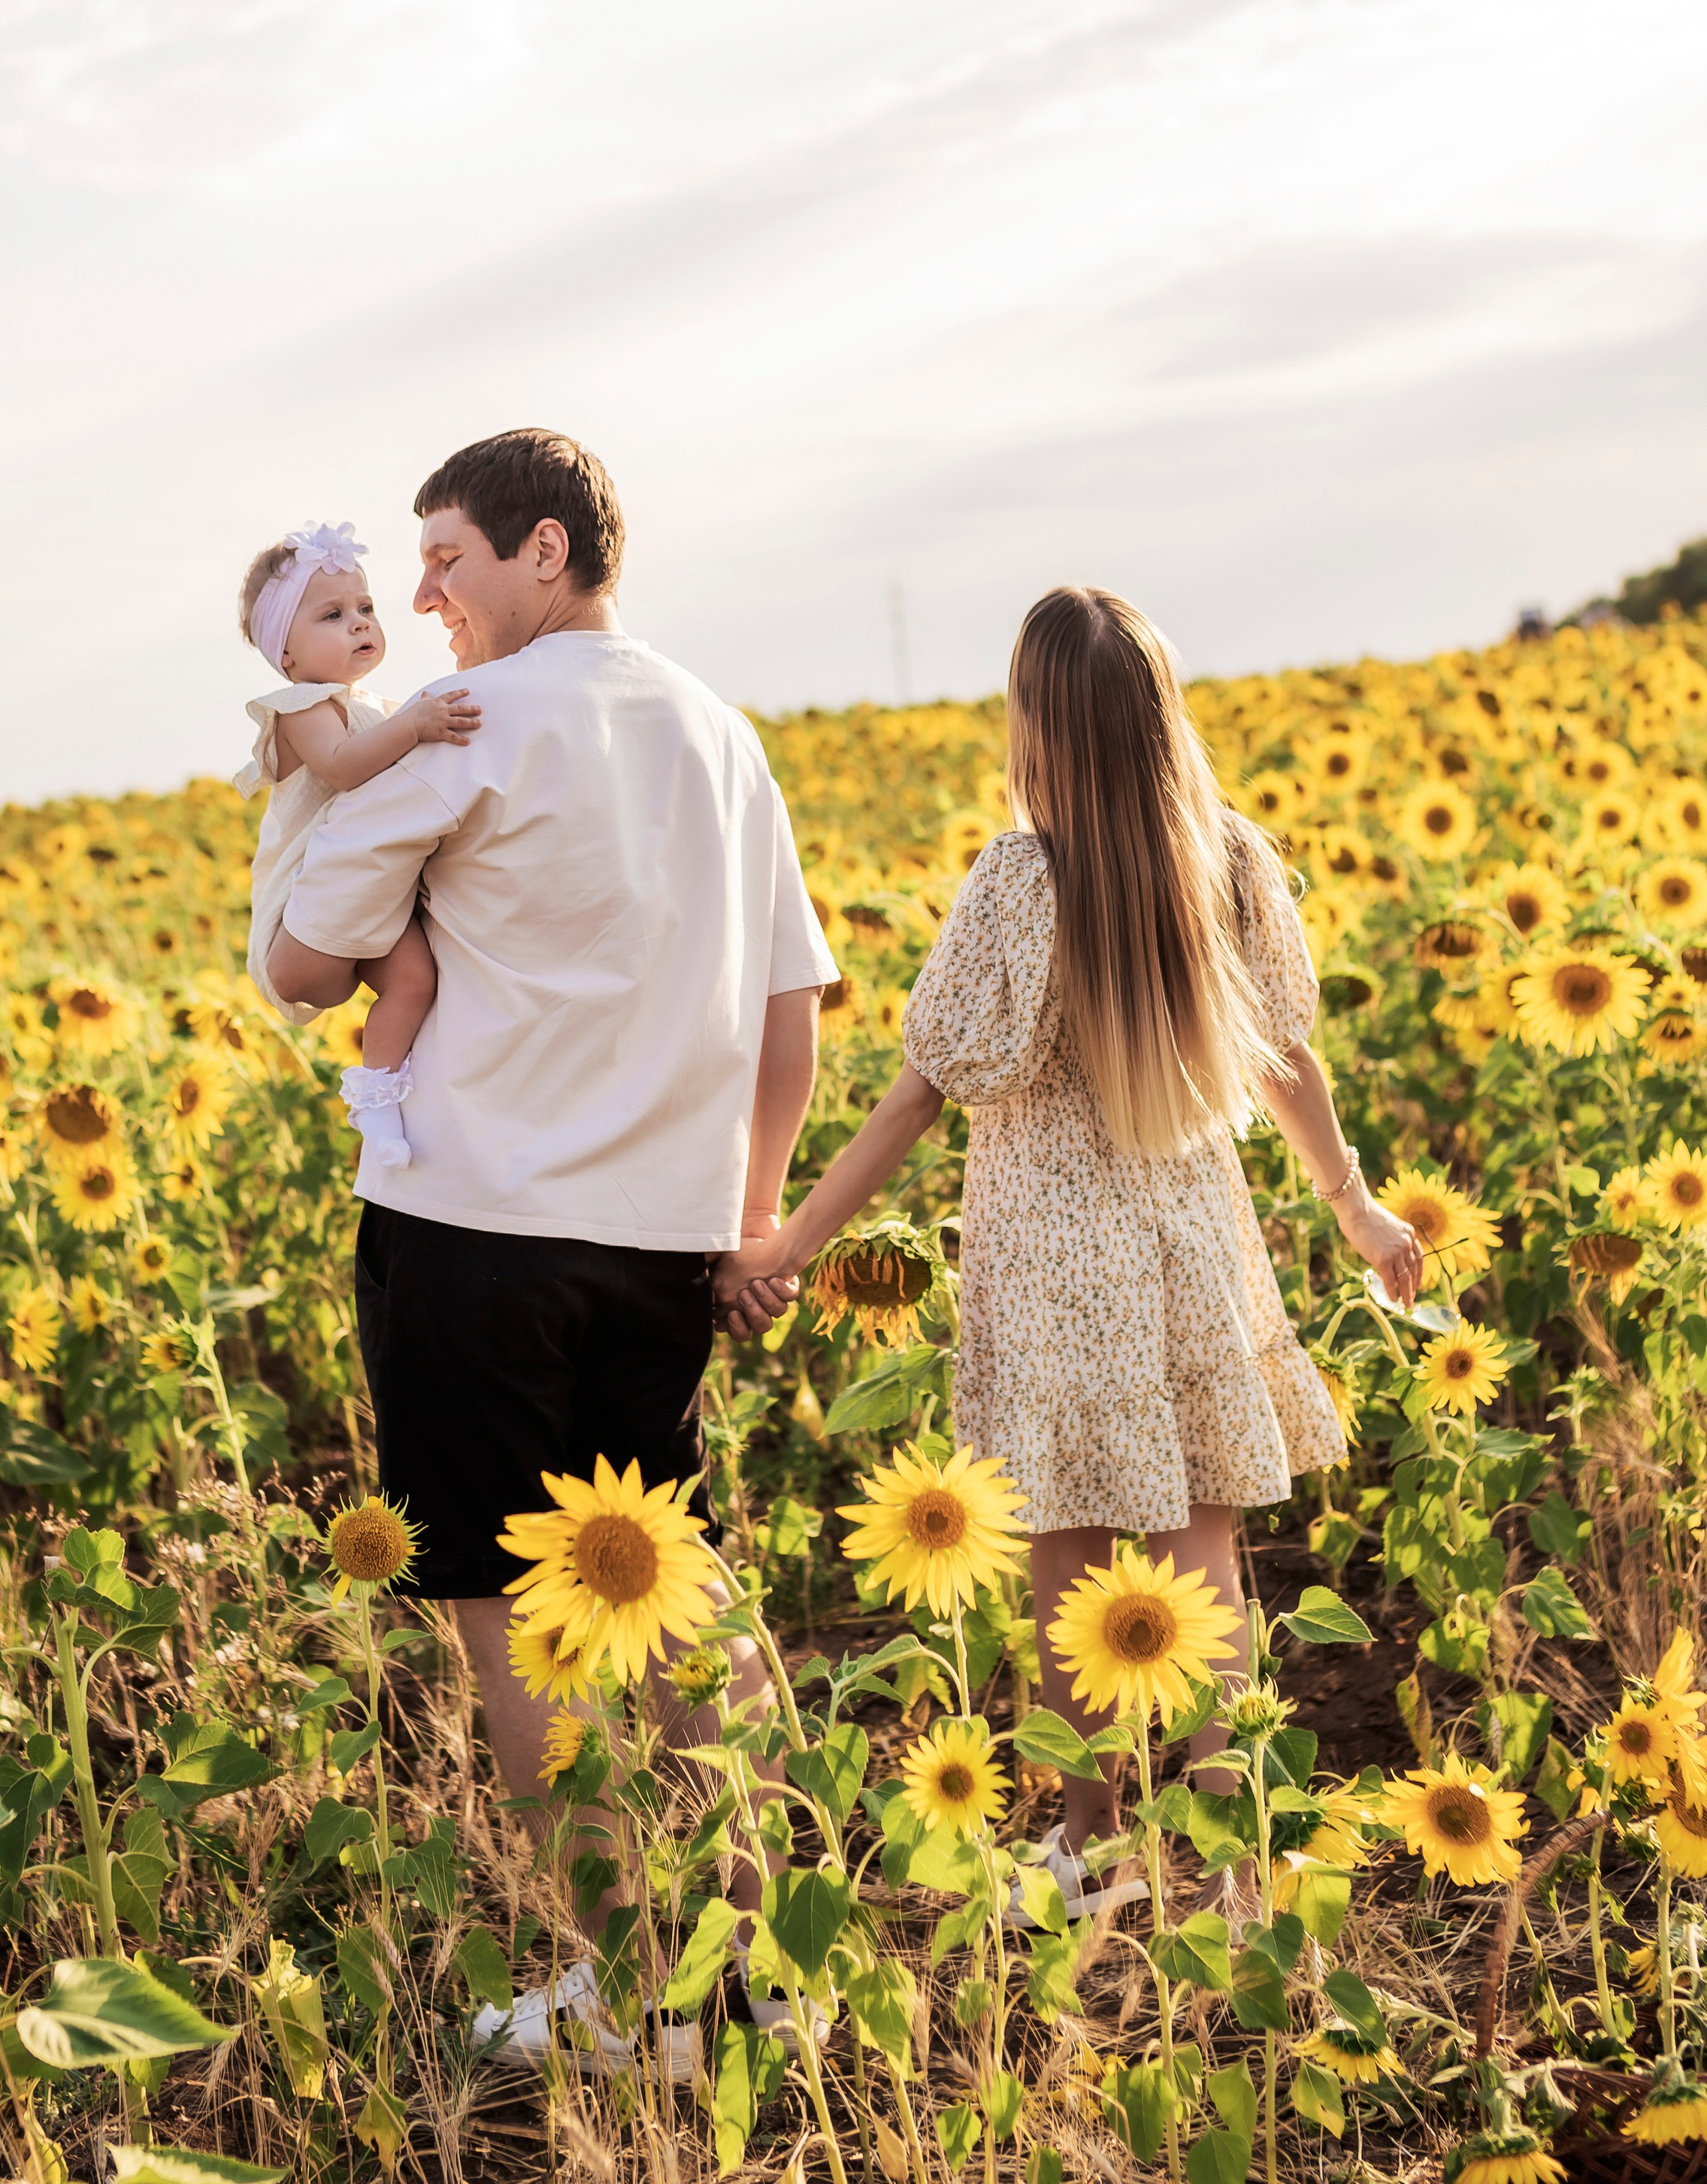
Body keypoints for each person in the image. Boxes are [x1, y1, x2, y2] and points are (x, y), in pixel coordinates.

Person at [713, 583, 1422, 1912]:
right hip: (1195, 1237)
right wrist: (1357, 1205)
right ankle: (1230, 1858)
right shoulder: (1234, 862)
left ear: (1034, 724)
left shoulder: (1022, 881)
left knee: (1066, 1557)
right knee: (1203, 1555)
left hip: (1053, 1255)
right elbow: (1289, 1061)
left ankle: (1092, 1846)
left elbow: (922, 1092)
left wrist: (789, 1241)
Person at [266, 429, 838, 2057]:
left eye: (446, 558)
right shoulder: (721, 733)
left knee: (514, 1613)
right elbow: (790, 1014)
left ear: (543, 550)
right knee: (675, 1590)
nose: (423, 598)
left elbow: (307, 970)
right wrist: (748, 1219)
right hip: (660, 1246)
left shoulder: (471, 727)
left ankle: (635, 1994)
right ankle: (774, 1965)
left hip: (473, 1234)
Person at [234, 521, 481, 1167]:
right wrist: (419, 724)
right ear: (284, 654)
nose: (360, 624)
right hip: (308, 902)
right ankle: (377, 1106)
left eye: (366, 609)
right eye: (332, 615)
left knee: (415, 981)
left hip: (370, 895)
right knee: (407, 976)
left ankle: (379, 1102)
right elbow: (344, 766)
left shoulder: (374, 705)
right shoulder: (301, 707)